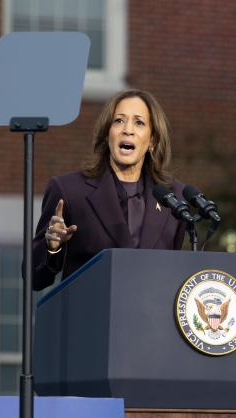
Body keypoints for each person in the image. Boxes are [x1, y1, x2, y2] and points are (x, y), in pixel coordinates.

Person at [31, 89, 187, 291]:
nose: (127, 130)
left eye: (139, 122)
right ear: (107, 135)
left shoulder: (174, 197)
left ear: (153, 141)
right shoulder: (69, 191)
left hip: (151, 318)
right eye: (119, 121)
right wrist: (53, 248)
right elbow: (35, 279)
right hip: (92, 317)